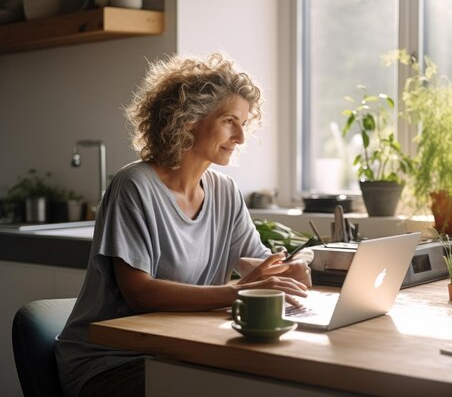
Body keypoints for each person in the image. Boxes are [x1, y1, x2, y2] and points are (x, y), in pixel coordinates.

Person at [55, 53, 311, 397]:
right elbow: (140, 292)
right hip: (113, 360)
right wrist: (235, 291)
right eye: (229, 121)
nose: (240, 138)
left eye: (244, 124)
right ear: (189, 119)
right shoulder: (134, 185)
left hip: (184, 351)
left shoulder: (225, 191)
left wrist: (286, 272)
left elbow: (255, 262)